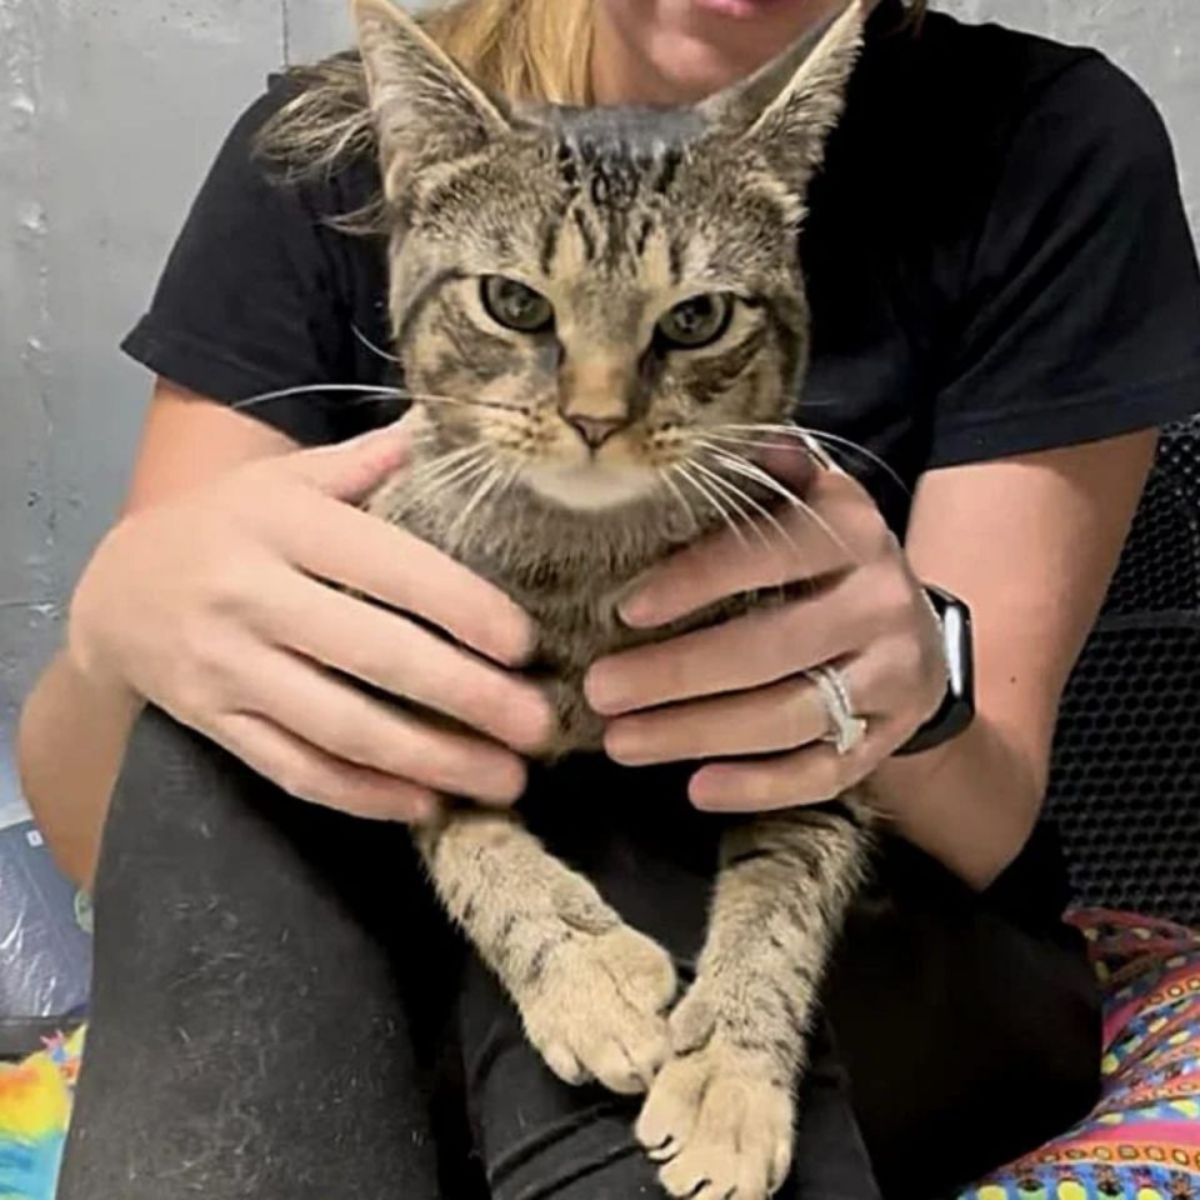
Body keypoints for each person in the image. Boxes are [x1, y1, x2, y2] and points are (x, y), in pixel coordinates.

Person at [16, 0, 1200, 1195]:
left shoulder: (1049, 144)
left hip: (879, 967)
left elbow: (988, 812)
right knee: (231, 737)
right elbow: (130, 839)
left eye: (690, 324)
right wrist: (120, 622)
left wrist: (910, 692)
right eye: (520, 311)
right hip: (393, 987)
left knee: (637, 770)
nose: (597, 405)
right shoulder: (328, 153)